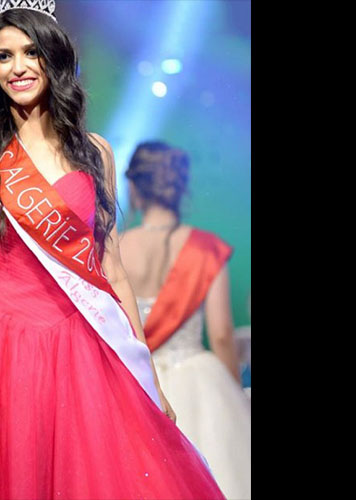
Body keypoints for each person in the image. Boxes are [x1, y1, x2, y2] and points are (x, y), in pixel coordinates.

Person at [0, 2, 224, 499]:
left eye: (31, 52)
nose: (17, 68)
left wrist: (146, 372)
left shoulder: (94, 152)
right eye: (3, 56)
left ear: (55, 57)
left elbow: (112, 271)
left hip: (84, 348)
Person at [120, 141, 251, 499]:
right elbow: (221, 334)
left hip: (142, 385)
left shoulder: (115, 249)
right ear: (181, 187)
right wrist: (234, 397)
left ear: (135, 187)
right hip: (200, 384)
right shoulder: (206, 248)